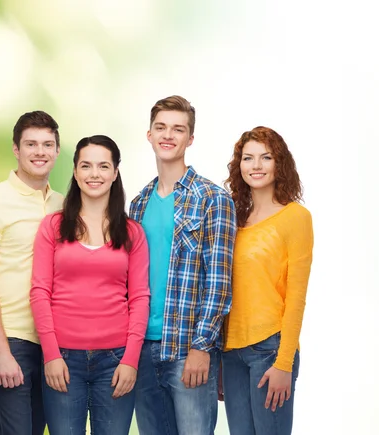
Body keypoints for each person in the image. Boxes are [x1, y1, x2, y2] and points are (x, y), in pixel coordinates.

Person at [129, 95, 237, 435]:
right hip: (143, 350)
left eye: (178, 129)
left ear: (190, 139)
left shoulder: (212, 198)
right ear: (149, 134)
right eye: (160, 127)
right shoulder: (138, 203)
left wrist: (202, 347)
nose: (168, 135)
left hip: (186, 349)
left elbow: (219, 281)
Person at [30, 135, 150, 435]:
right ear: (74, 171)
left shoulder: (133, 232)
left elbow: (140, 299)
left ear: (115, 172)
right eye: (86, 166)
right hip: (63, 359)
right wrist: (52, 354)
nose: (94, 174)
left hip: (115, 361)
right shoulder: (53, 227)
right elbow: (39, 292)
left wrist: (131, 360)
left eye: (103, 166)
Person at [0, 111, 64, 435]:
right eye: (31, 144)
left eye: (47, 144)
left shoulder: (64, 206)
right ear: (16, 149)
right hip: (11, 338)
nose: (40, 152)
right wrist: (2, 352)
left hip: (53, 343)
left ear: (57, 151)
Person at [222, 126, 314, 435]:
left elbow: (297, 296)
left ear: (280, 163)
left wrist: (284, 362)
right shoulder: (233, 219)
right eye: (248, 158)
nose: (256, 166)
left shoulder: (295, 218)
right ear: (240, 166)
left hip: (270, 350)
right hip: (231, 353)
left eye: (266, 157)